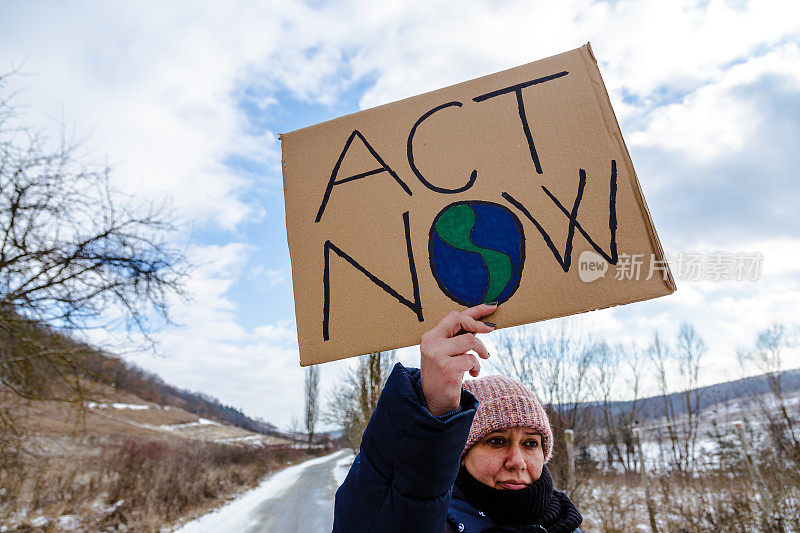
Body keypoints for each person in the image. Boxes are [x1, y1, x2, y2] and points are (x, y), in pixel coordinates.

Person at [332, 303, 584, 533]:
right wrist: (432, 405)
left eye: (531, 443)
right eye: (497, 441)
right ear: (460, 455)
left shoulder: (567, 523)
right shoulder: (428, 522)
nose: (517, 462)